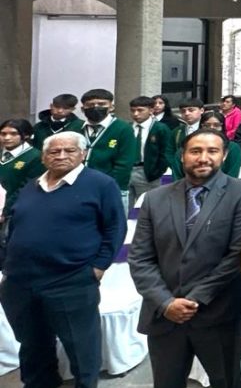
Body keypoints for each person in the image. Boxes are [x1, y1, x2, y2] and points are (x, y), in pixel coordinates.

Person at [129, 128, 241, 388]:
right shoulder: (155, 199)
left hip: (218, 312)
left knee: (225, 381)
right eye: (195, 151)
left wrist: (194, 299)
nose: (203, 158)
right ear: (182, 157)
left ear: (224, 155)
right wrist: (166, 302)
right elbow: (140, 258)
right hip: (165, 314)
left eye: (212, 151)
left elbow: (237, 256)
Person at [0, 131, 125, 388]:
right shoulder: (32, 185)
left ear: (83, 154)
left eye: (69, 150)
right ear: (44, 157)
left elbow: (115, 228)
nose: (61, 156)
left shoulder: (100, 184)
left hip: (70, 280)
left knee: (80, 345)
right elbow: (15, 224)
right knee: (32, 342)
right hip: (20, 281)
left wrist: (99, 266)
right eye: (54, 151)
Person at [79, 88, 136, 210]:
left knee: (112, 226)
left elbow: (124, 164)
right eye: (90, 105)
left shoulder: (123, 128)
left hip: (112, 187)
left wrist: (111, 186)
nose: (96, 107)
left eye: (101, 104)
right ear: (83, 109)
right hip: (80, 187)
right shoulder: (77, 128)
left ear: (111, 107)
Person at [128, 95, 176, 208]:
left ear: (151, 110)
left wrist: (157, 171)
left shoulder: (160, 128)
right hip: (128, 170)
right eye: (133, 110)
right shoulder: (127, 128)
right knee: (125, 206)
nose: (136, 114)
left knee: (148, 206)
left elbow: (166, 152)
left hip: (148, 172)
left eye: (140, 110)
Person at [0, 119, 43, 225]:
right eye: (3, 134)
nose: (7, 138)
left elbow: (27, 188)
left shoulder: (35, 157)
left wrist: (4, 211)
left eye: (13, 134)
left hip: (13, 212)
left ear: (26, 135)